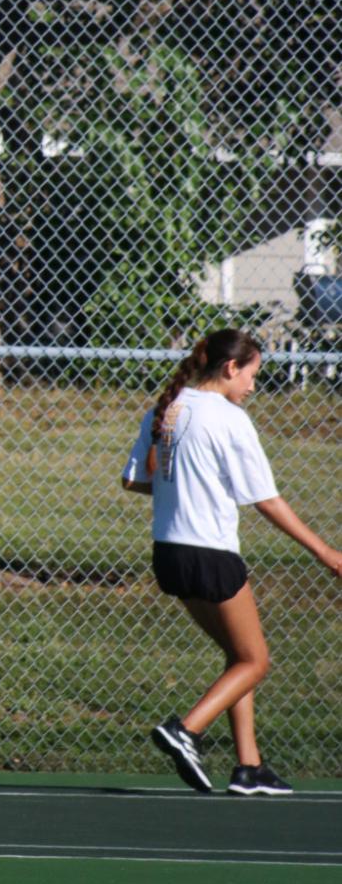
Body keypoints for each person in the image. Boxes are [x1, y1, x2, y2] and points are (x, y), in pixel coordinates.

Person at [122, 326, 342, 796]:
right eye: (252, 375)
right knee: (256, 661)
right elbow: (266, 499)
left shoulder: (167, 407)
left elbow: (136, 481)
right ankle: (187, 730)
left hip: (169, 554)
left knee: (238, 656)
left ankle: (249, 767)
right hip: (211, 555)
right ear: (230, 368)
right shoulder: (227, 418)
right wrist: (326, 552)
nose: (253, 386)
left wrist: (183, 486)